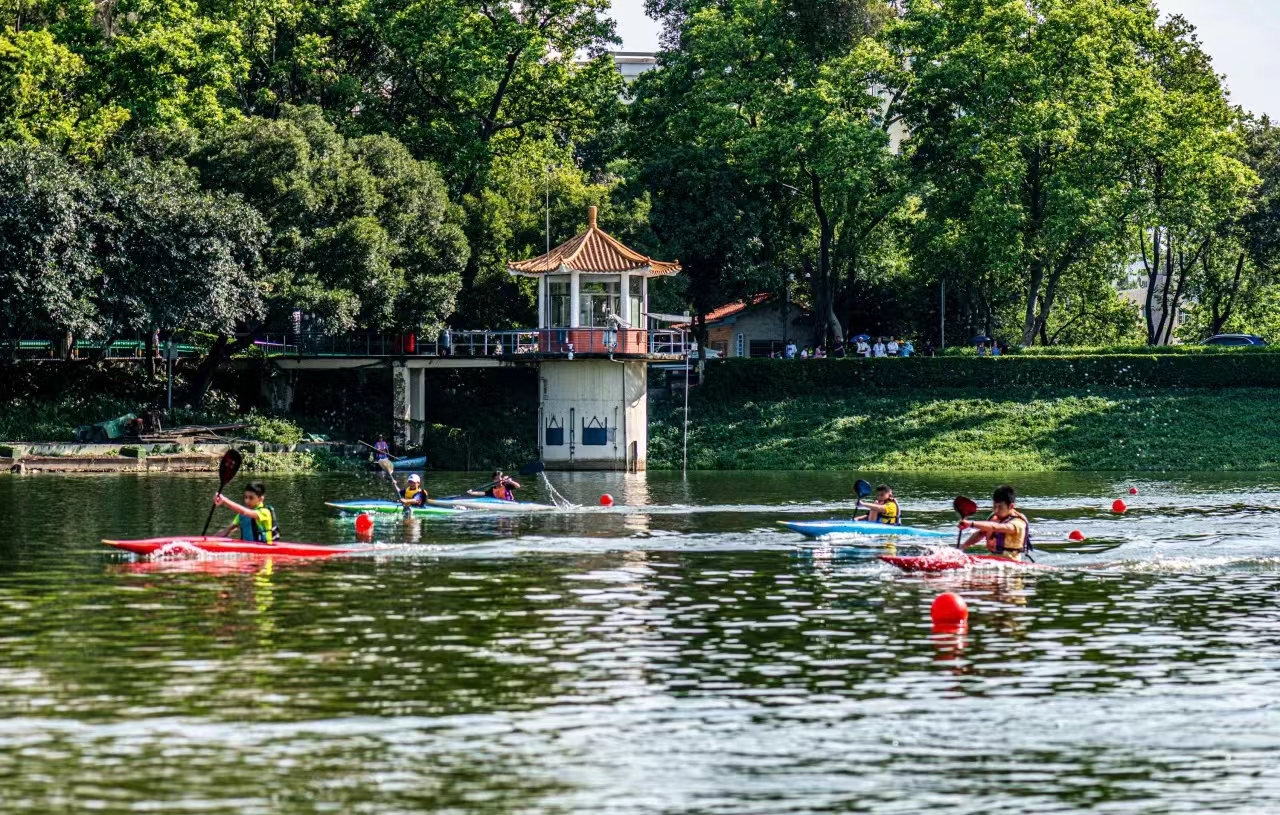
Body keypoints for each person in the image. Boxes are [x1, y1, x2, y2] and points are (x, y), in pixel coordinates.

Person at [960, 485, 1032, 561]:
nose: (996, 511)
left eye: (1000, 507)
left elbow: (996, 527)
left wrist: (971, 524)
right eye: (994, 506)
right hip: (992, 558)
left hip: (1011, 561)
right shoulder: (994, 517)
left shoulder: (1018, 522)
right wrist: (962, 547)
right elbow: (981, 533)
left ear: (1011, 506)